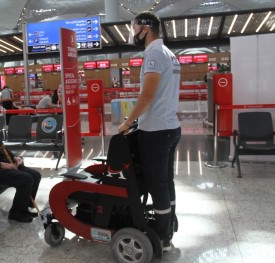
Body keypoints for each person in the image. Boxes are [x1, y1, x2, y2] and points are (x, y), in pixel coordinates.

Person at [118, 11, 181, 251]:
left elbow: (147, 95)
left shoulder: (154, 53)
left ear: (146, 28)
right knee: (166, 181)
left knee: (157, 184)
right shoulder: (170, 54)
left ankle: (162, 238)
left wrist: (127, 122)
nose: (134, 32)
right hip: (170, 127)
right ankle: (170, 224)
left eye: (135, 28)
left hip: (156, 130)